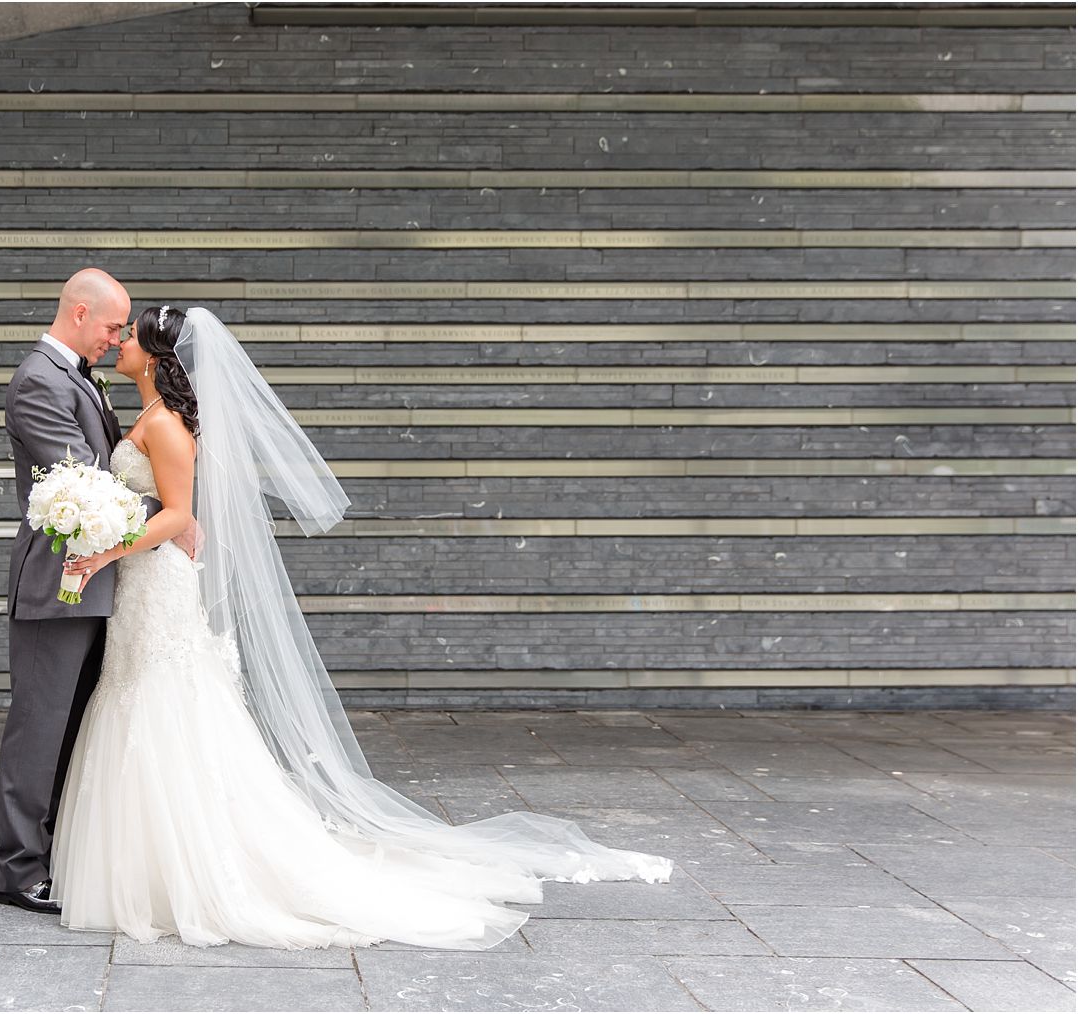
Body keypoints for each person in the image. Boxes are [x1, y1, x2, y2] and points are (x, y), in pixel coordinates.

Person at [48, 306, 675, 949]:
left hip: (159, 592)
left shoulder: (170, 427)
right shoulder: (151, 418)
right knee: (136, 699)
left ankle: (195, 867)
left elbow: (180, 514)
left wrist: (105, 547)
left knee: (165, 703)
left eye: (129, 335)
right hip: (144, 588)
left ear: (153, 356)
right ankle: (149, 859)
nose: (118, 342)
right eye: (116, 332)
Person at [0, 268, 197, 913]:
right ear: (80, 313)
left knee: (76, 725)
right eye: (112, 326)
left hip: (103, 576)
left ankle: (56, 853)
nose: (116, 339)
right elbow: (82, 484)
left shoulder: (78, 377)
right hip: (60, 580)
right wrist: (171, 514)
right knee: (41, 725)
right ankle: (18, 871)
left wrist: (177, 513)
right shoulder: (39, 383)